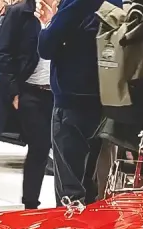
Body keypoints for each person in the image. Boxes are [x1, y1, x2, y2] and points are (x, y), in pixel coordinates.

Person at [39, 0, 115, 204]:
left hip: (72, 101)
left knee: (70, 189)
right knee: (91, 182)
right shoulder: (115, 3)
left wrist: (50, 22)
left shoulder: (75, 4)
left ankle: (71, 222)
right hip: (106, 99)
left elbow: (45, 47)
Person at [0, 0, 52, 208]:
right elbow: (3, 53)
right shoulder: (20, 12)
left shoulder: (66, 11)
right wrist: (14, 92)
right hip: (30, 91)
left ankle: (66, 205)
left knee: (63, 151)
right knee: (40, 147)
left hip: (61, 92)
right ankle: (30, 204)